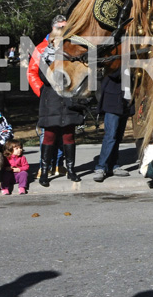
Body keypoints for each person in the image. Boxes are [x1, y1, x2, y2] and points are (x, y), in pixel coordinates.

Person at [28, 14, 84, 186]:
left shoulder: (73, 49)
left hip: (68, 99)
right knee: (49, 135)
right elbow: (37, 75)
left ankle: (70, 169)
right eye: (60, 27)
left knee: (69, 135)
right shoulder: (43, 50)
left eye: (65, 28)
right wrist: (43, 93)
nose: (62, 31)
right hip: (51, 99)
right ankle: (45, 170)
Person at [93, 70, 132, 182]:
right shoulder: (116, 61)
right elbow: (114, 74)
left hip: (125, 102)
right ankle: (101, 167)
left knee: (118, 136)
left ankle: (114, 165)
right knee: (110, 136)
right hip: (113, 102)